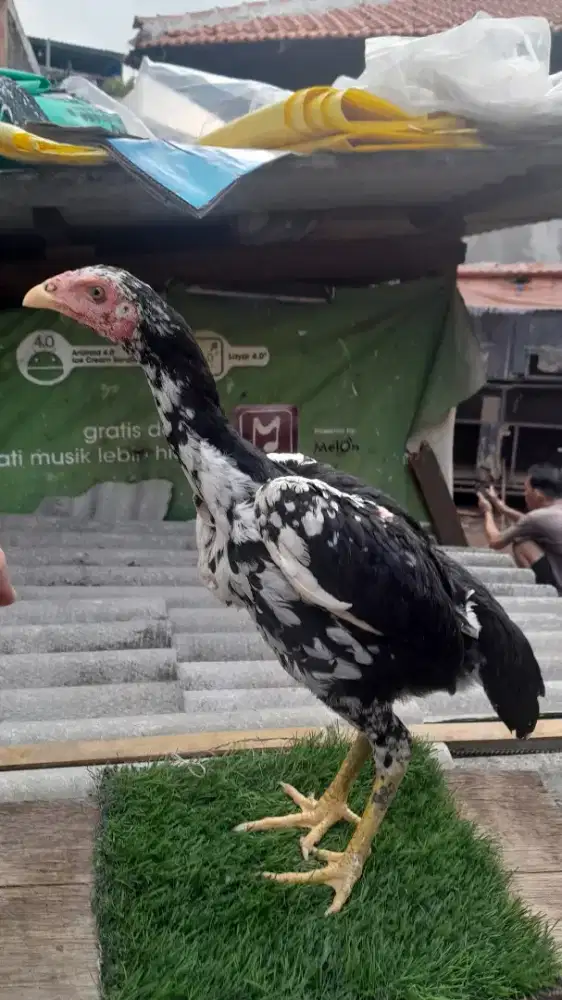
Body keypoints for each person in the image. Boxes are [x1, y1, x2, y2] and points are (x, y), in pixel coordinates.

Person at [477, 464, 562, 594]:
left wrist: (487, 512)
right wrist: (500, 505)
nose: (524, 494)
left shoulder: (537, 518)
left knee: (522, 542)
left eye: (526, 490)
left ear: (538, 495)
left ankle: (545, 592)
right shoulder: (553, 512)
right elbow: (532, 521)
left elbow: (495, 541)